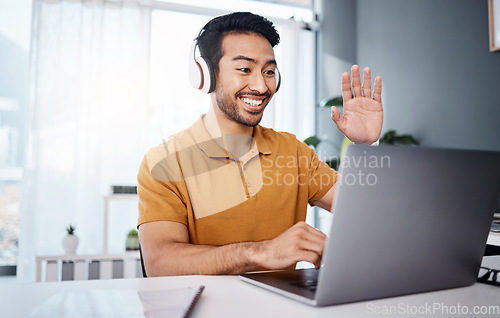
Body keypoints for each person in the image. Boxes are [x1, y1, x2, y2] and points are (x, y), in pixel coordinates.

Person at [137, 12, 383, 277]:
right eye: (244, 69)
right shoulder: (164, 162)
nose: (261, 85)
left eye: (268, 71)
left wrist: (366, 145)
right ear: (206, 74)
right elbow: (160, 264)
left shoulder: (294, 153)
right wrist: (261, 251)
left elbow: (370, 213)